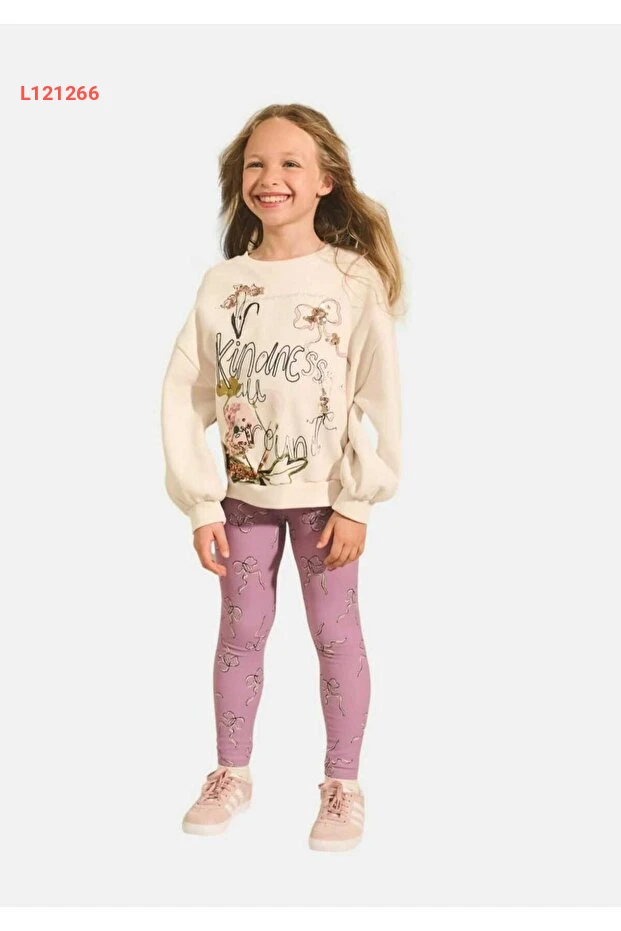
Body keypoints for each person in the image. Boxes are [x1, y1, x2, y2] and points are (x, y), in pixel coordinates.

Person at [160, 103, 406, 852]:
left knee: (336, 636)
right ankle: (231, 772)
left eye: (290, 163)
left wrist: (359, 499)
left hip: (326, 505)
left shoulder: (352, 279)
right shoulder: (223, 283)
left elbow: (378, 396)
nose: (270, 178)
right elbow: (185, 392)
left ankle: (343, 785)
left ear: (326, 179)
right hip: (243, 503)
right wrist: (201, 503)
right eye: (256, 164)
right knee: (240, 633)